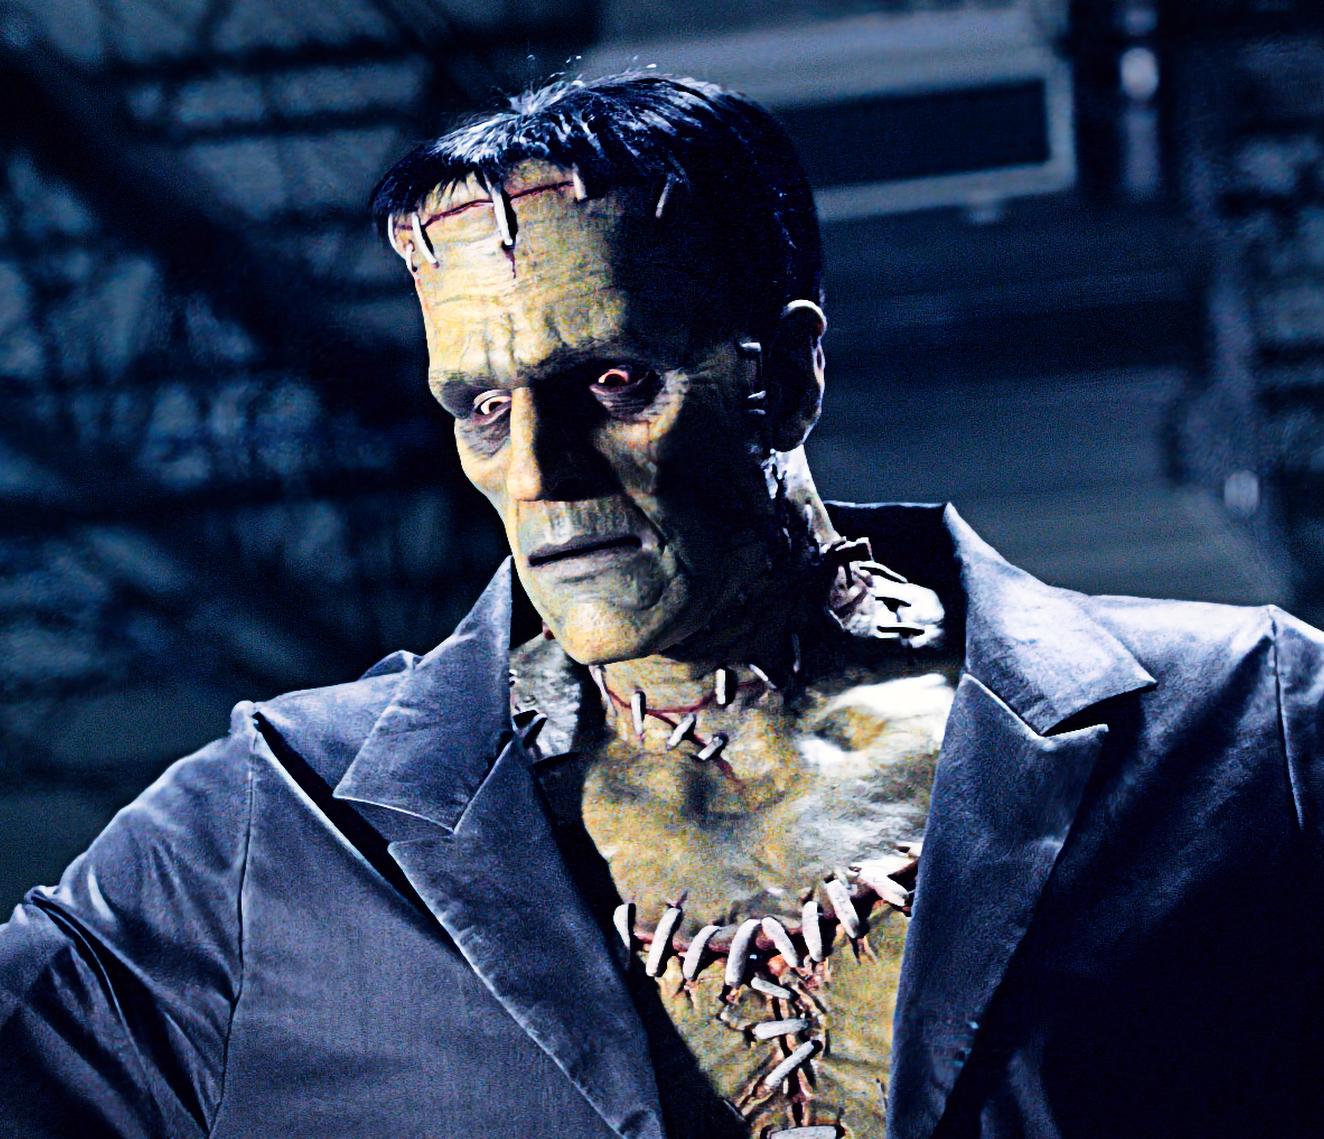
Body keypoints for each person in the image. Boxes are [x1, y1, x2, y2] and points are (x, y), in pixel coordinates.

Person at [1, 72, 1321, 1139]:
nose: (541, 474)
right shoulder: (268, 836)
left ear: (787, 375)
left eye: (615, 382)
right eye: (482, 407)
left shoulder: (1250, 730)